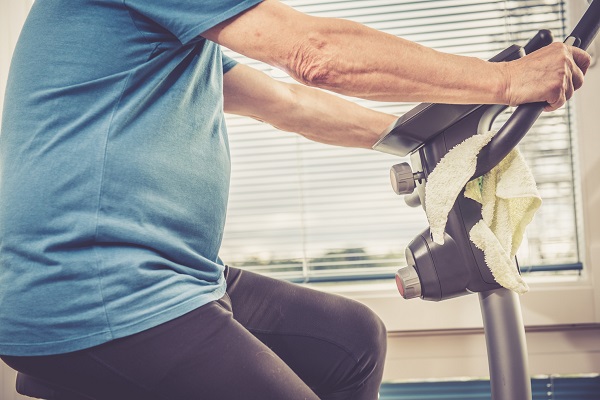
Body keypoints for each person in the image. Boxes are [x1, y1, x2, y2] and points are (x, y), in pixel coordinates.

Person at [0, 0, 590, 399]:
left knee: (352, 341)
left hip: (171, 276)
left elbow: (290, 105)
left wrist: (430, 143)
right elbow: (318, 55)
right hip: (86, 284)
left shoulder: (175, 34)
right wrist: (509, 83)